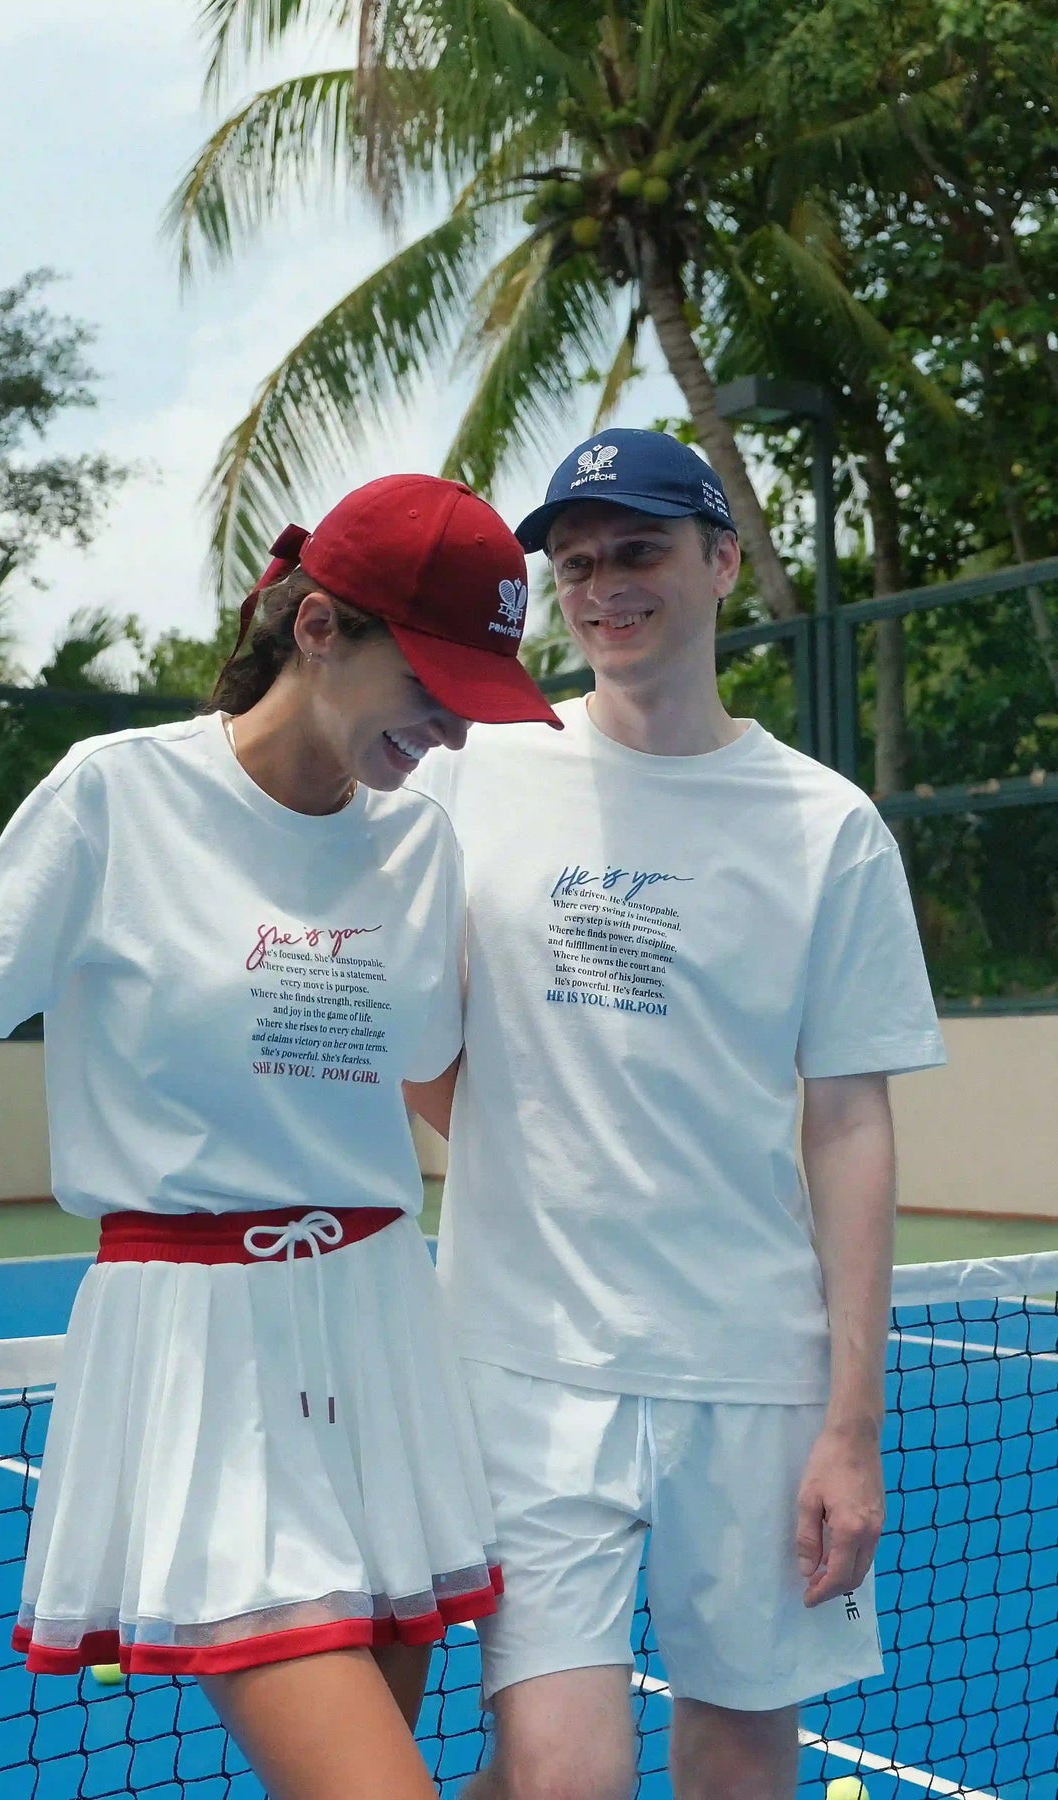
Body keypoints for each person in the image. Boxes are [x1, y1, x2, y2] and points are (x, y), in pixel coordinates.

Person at [0, 474, 561, 1800]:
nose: (455, 731)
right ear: (320, 632)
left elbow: (440, 1092)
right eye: (436, 682)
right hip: (201, 1359)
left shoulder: (419, 849)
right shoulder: (109, 799)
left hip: (383, 1342)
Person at [407, 430, 946, 1800]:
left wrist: (852, 1427)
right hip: (523, 1368)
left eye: (637, 551)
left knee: (737, 1775)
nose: (601, 586)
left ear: (720, 562)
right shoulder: (470, 772)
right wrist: (542, 1154)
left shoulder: (827, 827)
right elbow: (409, 1025)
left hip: (755, 1373)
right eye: (574, 565)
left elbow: (850, 1128)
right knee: (558, 1780)